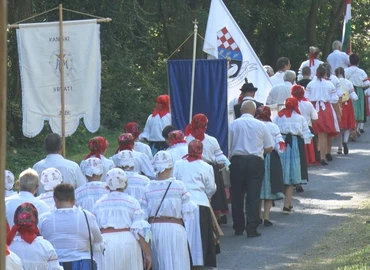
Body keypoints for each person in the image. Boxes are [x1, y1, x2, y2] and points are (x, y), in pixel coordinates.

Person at [142, 151, 196, 270]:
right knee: (179, 263)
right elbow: (187, 215)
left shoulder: (148, 188)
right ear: (171, 166)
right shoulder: (179, 186)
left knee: (159, 263)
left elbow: (143, 217)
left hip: (155, 230)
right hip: (176, 229)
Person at [229, 101, 274, 236]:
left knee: (237, 195)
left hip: (237, 161)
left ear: (241, 111)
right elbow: (270, 146)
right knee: (253, 195)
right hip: (255, 160)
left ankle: (238, 226)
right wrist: (259, 151)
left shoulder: (233, 125)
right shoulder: (261, 125)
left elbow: (228, 145)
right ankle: (252, 227)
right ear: (254, 111)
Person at [93, 168, 151, 270]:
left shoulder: (98, 204)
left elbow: (93, 229)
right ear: (125, 183)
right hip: (129, 243)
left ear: (107, 185)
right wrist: (147, 254)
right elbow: (139, 230)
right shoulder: (132, 202)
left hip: (106, 244)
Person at [173, 139, 217, 268]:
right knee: (200, 234)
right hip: (200, 202)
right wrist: (207, 195)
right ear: (201, 150)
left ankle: (184, 260)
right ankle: (199, 261)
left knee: (185, 233)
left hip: (182, 203)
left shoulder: (179, 164)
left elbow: (175, 181)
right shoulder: (206, 166)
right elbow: (211, 187)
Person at [38, 184, 104, 269]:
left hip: (54, 264)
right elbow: (98, 241)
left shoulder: (44, 218)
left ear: (55, 199)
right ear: (74, 200)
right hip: (83, 263)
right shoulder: (87, 216)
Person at [185, 114, 230, 221]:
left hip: (191, 171)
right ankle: (214, 223)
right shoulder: (211, 140)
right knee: (212, 195)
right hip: (210, 170)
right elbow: (220, 160)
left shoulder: (186, 140)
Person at [274, 98, 313, 213]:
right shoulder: (300, 118)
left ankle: (288, 202)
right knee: (292, 172)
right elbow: (306, 133)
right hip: (295, 144)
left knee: (283, 171)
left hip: (282, 143)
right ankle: (286, 205)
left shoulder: (278, 117)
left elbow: (274, 131)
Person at [7, 203, 62, 270]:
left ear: (16, 220)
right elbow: (55, 268)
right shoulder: (45, 246)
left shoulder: (9, 247)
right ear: (35, 220)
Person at [255, 106, 285, 226]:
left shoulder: (255, 125)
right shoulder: (273, 126)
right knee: (270, 186)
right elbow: (280, 144)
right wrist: (281, 152)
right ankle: (266, 217)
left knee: (257, 186)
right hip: (271, 157)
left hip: (257, 156)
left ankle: (258, 216)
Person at [305, 65, 341, 165]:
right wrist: (338, 113)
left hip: (313, 107)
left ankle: (315, 155)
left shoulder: (310, 84)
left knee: (313, 133)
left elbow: (306, 98)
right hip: (326, 109)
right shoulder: (329, 85)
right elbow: (334, 100)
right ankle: (323, 156)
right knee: (323, 134)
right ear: (325, 74)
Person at [291, 85, 319, 166]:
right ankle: (310, 159)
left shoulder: (289, 102)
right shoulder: (308, 103)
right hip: (307, 127)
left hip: (293, 128)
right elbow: (315, 118)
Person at [345, 53, 370, 134]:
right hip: (358, 91)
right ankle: (355, 129)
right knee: (358, 111)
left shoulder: (345, 70)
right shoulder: (361, 72)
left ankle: (350, 130)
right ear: (358, 62)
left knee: (350, 109)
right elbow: (366, 83)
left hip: (348, 91)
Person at [335, 67, 358, 155]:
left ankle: (339, 147)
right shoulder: (348, 82)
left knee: (339, 126)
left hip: (338, 103)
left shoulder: (334, 82)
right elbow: (353, 94)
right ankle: (345, 141)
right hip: (347, 104)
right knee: (347, 125)